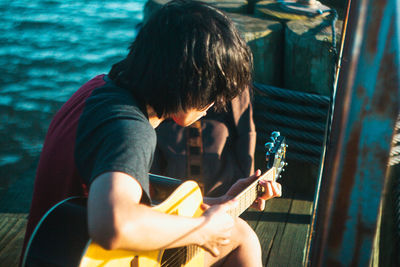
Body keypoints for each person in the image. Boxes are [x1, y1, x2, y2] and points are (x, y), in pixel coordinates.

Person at [21, 1, 282, 266]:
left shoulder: (97, 90)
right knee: (241, 237)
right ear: (190, 89)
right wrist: (203, 230)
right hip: (84, 251)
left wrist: (217, 202)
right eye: (211, 99)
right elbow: (113, 225)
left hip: (57, 250)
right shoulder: (131, 130)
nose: (211, 108)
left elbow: (114, 180)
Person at [151, 86, 257, 198]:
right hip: (166, 195)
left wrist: (248, 187)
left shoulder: (232, 82)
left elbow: (245, 130)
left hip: (223, 190)